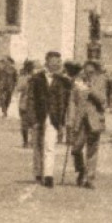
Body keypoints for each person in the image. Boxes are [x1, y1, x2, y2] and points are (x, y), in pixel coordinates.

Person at [26, 51, 72, 187]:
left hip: (54, 118)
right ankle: (38, 172)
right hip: (38, 116)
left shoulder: (63, 81)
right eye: (54, 61)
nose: (57, 64)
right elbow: (31, 99)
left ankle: (48, 175)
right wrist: (32, 119)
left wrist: (63, 121)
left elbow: (65, 101)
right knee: (37, 145)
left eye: (59, 61)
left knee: (50, 145)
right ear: (47, 62)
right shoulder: (36, 78)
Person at [68, 60, 108, 188]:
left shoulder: (101, 81)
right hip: (80, 120)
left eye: (91, 71)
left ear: (95, 70)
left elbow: (102, 99)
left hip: (94, 119)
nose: (88, 73)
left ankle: (89, 178)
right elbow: (72, 101)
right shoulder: (78, 82)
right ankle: (81, 170)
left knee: (92, 150)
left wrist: (90, 89)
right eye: (86, 70)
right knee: (75, 148)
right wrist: (70, 118)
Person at [16, 60, 38, 148]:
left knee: (33, 123)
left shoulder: (37, 78)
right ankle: (26, 141)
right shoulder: (23, 78)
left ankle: (31, 141)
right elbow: (18, 88)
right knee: (25, 124)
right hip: (25, 103)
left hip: (33, 103)